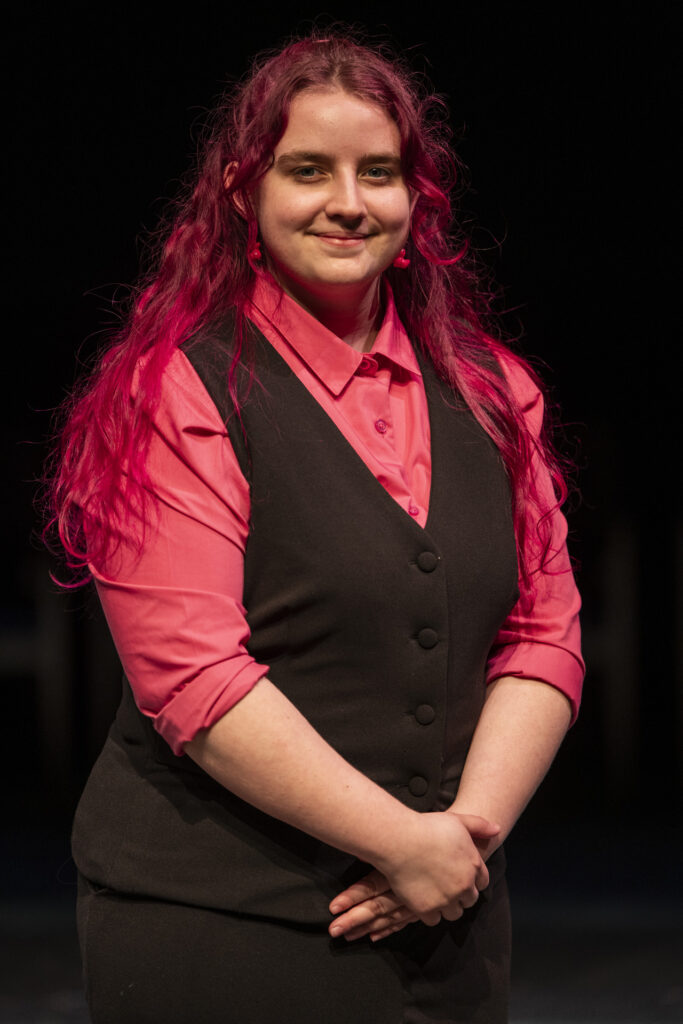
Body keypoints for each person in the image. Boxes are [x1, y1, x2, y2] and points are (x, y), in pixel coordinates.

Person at [47, 29, 584, 1024]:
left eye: (377, 172)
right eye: (307, 170)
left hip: (447, 917)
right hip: (224, 925)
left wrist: (461, 838)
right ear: (243, 193)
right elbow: (195, 675)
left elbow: (541, 635)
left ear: (415, 198)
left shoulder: (493, 393)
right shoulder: (178, 389)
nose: (348, 201)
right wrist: (401, 841)